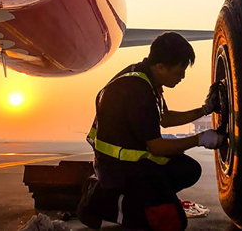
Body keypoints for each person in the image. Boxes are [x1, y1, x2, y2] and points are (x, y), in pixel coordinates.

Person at [78, 32, 223, 230]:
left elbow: (165, 119)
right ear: (161, 67)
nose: (182, 76)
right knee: (173, 223)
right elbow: (158, 147)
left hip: (124, 163)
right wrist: (200, 139)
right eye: (180, 70)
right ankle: (103, 201)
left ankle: (146, 198)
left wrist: (204, 110)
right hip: (118, 169)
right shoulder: (138, 91)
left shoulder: (143, 76)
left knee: (189, 169)